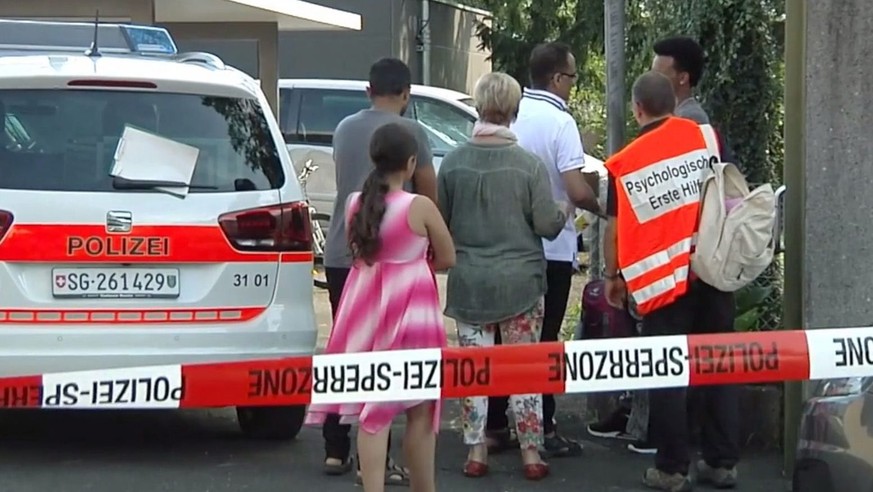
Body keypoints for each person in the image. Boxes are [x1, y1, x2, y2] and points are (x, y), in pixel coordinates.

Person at [588, 35, 739, 457]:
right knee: (719, 365)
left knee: (667, 371)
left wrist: (615, 278)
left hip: (662, 285)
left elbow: (615, 231)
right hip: (711, 268)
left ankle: (672, 467)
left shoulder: (626, 162)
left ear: (638, 109)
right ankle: (722, 460)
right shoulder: (708, 138)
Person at [438, 72, 574, 481]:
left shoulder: (453, 162)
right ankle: (531, 453)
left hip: (470, 282)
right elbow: (547, 225)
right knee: (525, 368)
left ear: (479, 108)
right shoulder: (528, 165)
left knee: (474, 370)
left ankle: (477, 450)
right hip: (521, 281)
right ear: (514, 112)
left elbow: (441, 221)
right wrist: (565, 208)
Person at [306, 122, 455, 492]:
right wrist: (417, 268)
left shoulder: (357, 202)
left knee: (375, 409)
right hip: (414, 311)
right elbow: (448, 256)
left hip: (367, 307)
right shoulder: (419, 206)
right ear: (410, 163)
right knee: (421, 408)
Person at [319, 57, 437, 486]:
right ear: (406, 94)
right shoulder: (413, 134)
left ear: (368, 91)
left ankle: (336, 447)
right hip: (396, 263)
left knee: (346, 349)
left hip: (344, 252)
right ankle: (380, 459)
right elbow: (428, 189)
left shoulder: (345, 128)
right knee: (389, 363)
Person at [483, 41, 600, 459]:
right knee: (544, 342)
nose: (572, 85)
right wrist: (600, 207)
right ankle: (544, 427)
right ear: (556, 78)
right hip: (551, 248)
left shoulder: (512, 113)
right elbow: (574, 188)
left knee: (499, 338)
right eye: (571, 77)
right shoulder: (559, 122)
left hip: (506, 246)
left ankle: (495, 425)